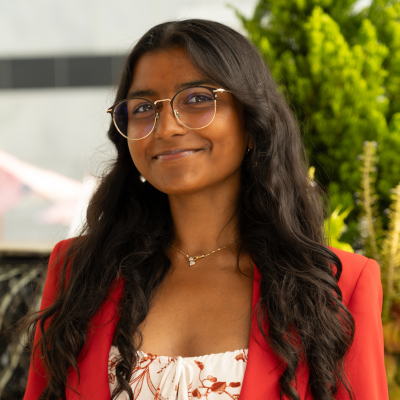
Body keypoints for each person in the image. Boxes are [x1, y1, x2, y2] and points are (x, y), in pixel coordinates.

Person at [23, 19, 388, 400]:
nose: (166, 127)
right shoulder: (80, 272)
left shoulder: (337, 288)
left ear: (252, 121)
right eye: (144, 107)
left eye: (197, 99)